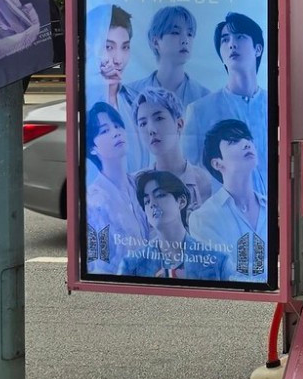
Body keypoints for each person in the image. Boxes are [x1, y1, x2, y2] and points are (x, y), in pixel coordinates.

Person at [183, 12, 269, 178]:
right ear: (221, 55)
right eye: (225, 39)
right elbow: (190, 172)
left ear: (258, 49)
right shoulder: (200, 111)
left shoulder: (273, 104)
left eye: (240, 37)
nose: (232, 44)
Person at [190, 119, 268, 281]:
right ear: (217, 163)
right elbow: (223, 275)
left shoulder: (270, 208)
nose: (246, 144)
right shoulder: (204, 218)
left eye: (248, 139)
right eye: (233, 141)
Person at [84, 101, 147, 273]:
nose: (116, 133)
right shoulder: (95, 201)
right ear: (92, 148)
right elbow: (97, 258)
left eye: (118, 126)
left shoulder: (141, 184)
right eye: (105, 130)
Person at [131, 87, 216, 209]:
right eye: (143, 124)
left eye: (159, 118)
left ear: (179, 124)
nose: (151, 130)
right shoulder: (135, 186)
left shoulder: (207, 183)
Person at [126, 5, 212, 117]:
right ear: (156, 42)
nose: (185, 40)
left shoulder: (205, 98)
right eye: (175, 33)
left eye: (190, 34)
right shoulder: (131, 93)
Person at [135, 170, 210, 279]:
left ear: (181, 201)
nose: (152, 204)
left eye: (160, 195)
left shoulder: (214, 259)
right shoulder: (134, 264)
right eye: (147, 201)